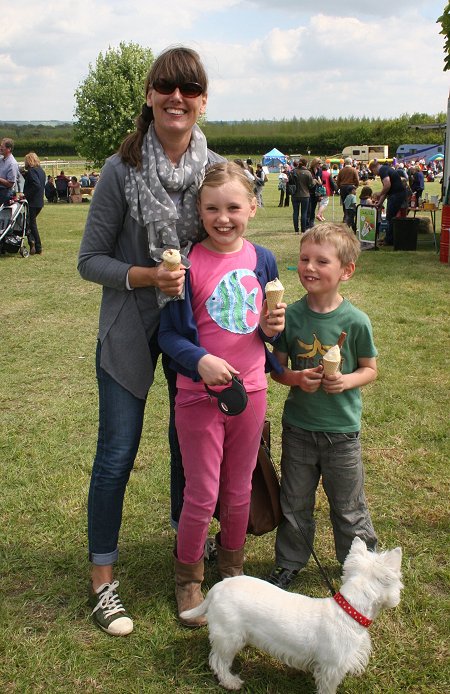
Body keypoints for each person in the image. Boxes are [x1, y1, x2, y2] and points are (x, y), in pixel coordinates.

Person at [77, 46, 223, 637]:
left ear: (202, 101)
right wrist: (145, 276)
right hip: (130, 329)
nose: (176, 98)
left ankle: (187, 553)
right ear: (149, 95)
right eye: (166, 87)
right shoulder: (120, 169)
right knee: (116, 454)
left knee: (191, 448)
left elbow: (228, 239)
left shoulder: (212, 171)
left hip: (190, 331)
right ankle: (102, 581)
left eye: (188, 89)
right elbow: (89, 260)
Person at [158, 162, 286, 626]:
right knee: (202, 490)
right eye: (212, 208)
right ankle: (188, 578)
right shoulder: (186, 264)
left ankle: (232, 569)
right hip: (197, 395)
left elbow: (266, 328)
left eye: (234, 207)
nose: (223, 217)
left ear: (252, 207)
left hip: (250, 390)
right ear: (199, 210)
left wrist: (274, 328)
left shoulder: (263, 259)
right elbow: (169, 335)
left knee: (237, 490)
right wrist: (199, 361)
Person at [266, 223, 378, 590]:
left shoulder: (356, 321)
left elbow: (369, 369)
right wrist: (296, 378)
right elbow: (278, 369)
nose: (309, 267)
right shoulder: (291, 315)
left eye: (321, 261)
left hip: (342, 433)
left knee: (348, 506)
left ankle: (360, 568)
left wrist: (346, 380)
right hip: (299, 428)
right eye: (304, 259)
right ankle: (290, 562)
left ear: (346, 270)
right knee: (294, 503)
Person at [369, 160, 407, 246]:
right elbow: (387, 190)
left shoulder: (382, 171)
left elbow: (387, 185)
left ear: (374, 167)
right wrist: (379, 203)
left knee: (390, 217)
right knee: (390, 217)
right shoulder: (386, 169)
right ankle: (388, 238)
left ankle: (389, 240)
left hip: (396, 194)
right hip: (396, 194)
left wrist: (379, 193)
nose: (374, 174)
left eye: (373, 171)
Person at [20, 152, 46, 255]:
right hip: (39, 201)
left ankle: (36, 245)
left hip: (33, 202)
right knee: (31, 223)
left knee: (31, 224)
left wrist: (25, 195)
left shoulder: (32, 171)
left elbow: (36, 184)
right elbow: (36, 181)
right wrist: (25, 175)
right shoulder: (41, 171)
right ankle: (34, 244)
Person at [290, 158, 313, 234]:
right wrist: (315, 182)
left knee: (295, 213)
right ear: (306, 164)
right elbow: (311, 185)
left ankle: (296, 230)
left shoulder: (293, 171)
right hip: (305, 195)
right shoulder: (307, 173)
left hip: (295, 194)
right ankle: (303, 230)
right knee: (304, 213)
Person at [336, 157, 359, 222]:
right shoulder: (354, 170)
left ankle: (345, 216)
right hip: (351, 187)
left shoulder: (341, 170)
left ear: (345, 163)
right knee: (352, 202)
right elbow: (357, 179)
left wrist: (339, 187)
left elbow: (338, 181)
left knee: (344, 202)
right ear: (351, 163)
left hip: (343, 187)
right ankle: (351, 216)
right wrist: (356, 186)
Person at [0, 138, 19, 205]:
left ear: (9, 149)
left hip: (5, 194)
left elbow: (10, 184)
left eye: (2, 147)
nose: (0, 148)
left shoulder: (12, 163)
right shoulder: (1, 160)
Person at [306, 157, 322, 228]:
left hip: (316, 192)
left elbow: (320, 181)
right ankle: (307, 223)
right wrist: (315, 180)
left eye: (320, 163)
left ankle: (311, 223)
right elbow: (309, 181)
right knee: (309, 209)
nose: (320, 165)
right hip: (309, 192)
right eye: (318, 163)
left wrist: (318, 181)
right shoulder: (309, 171)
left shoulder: (319, 170)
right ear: (315, 163)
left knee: (313, 208)